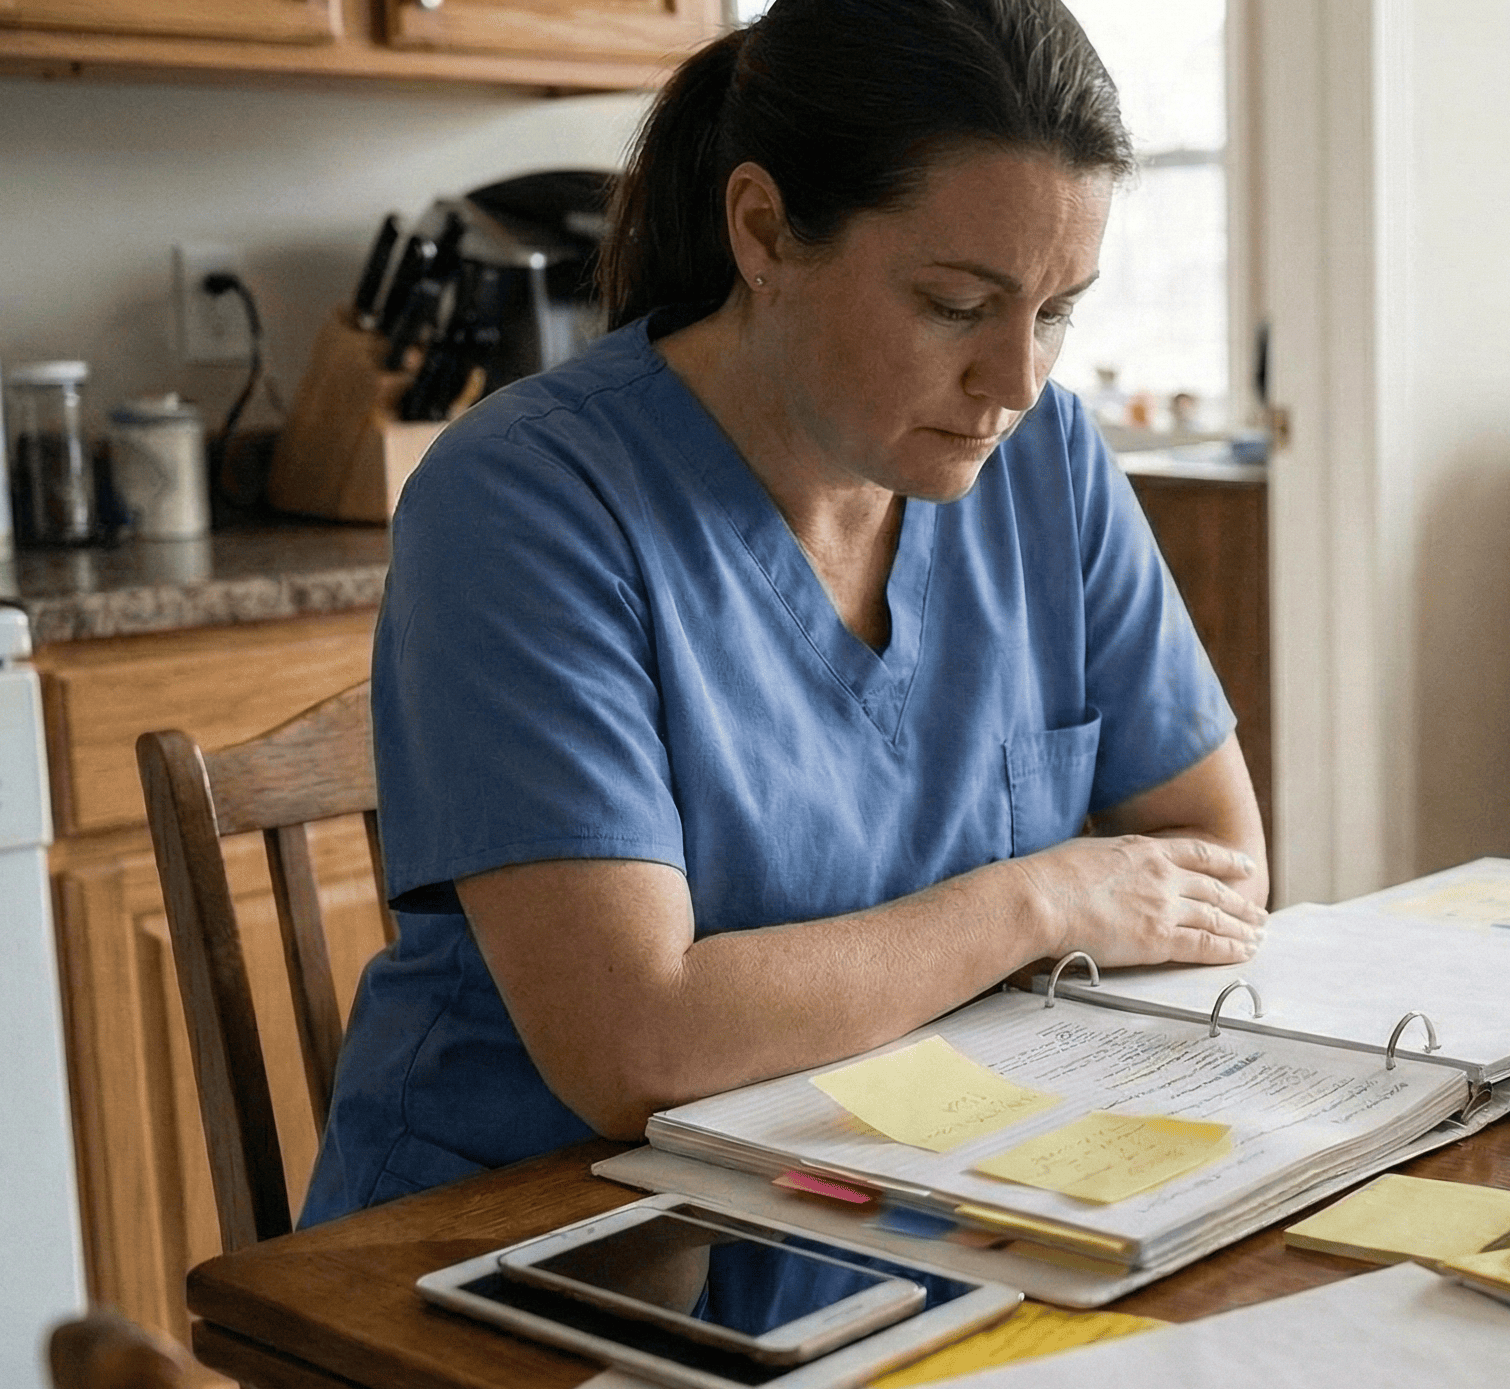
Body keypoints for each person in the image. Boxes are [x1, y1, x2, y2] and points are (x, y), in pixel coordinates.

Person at [303, 0, 1269, 1225]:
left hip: (927, 1191)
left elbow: (1221, 872)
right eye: (956, 305)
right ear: (763, 231)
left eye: (1057, 309)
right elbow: (635, 1046)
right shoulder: (525, 498)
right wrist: (1042, 899)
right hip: (545, 1235)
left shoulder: (1049, 460)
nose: (1017, 380)